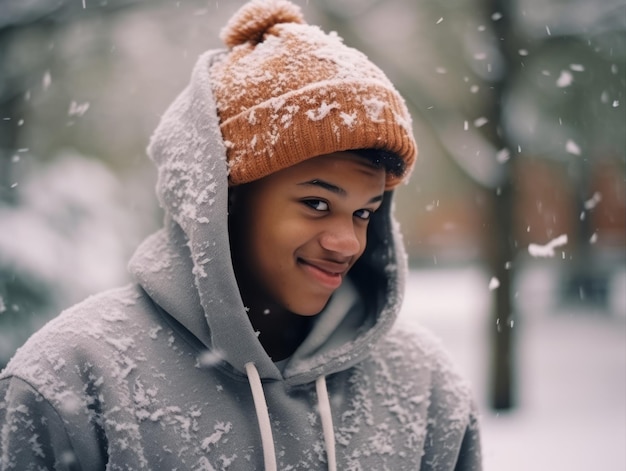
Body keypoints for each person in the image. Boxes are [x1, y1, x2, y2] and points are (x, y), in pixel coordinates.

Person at [0, 1, 482, 469]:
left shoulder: (424, 387)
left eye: (363, 213)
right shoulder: (72, 380)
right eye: (316, 204)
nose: (347, 242)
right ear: (224, 199)